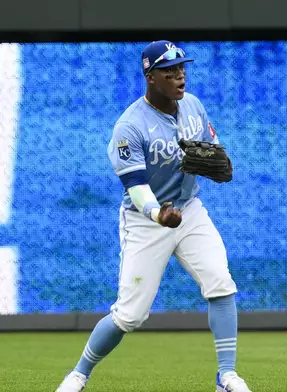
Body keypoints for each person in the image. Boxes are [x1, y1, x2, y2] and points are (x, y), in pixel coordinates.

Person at [55, 40, 252, 392]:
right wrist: (157, 213)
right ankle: (79, 373)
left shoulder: (192, 106)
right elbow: (135, 185)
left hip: (190, 210)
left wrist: (222, 165)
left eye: (182, 68)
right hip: (146, 220)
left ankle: (226, 376)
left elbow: (214, 149)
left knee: (221, 283)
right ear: (150, 77)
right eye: (169, 71)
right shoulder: (129, 126)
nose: (180, 76)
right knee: (129, 315)